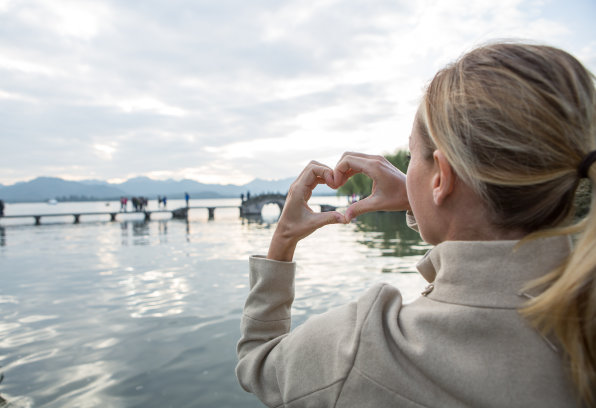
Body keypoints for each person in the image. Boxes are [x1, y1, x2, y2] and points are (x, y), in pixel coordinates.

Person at [236, 42, 596, 407]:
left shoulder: (361, 349)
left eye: (411, 157)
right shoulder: (582, 321)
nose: (406, 172)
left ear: (441, 176)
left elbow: (257, 361)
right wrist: (422, 197)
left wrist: (283, 239)